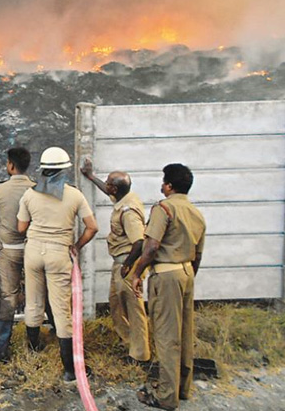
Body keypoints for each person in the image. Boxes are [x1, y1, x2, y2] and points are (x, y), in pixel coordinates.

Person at [17, 146, 98, 382]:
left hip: (33, 251)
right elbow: (92, 227)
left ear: (42, 169)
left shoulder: (30, 194)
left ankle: (33, 350)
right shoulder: (74, 195)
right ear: (64, 170)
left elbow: (21, 228)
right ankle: (70, 369)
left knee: (33, 302)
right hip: (59, 252)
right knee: (61, 309)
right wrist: (77, 245)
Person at [129, 164, 206, 411]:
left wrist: (137, 273)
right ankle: (182, 388)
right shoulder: (196, 213)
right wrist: (188, 275)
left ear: (169, 186)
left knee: (166, 336)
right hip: (186, 273)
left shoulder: (164, 208)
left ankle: (166, 396)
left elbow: (151, 247)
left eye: (164, 182)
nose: (162, 186)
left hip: (167, 274)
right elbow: (198, 254)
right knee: (184, 332)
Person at [80, 159, 151, 365]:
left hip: (127, 264)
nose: (107, 185)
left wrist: (129, 266)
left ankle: (140, 355)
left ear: (116, 188)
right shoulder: (124, 197)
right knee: (116, 304)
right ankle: (128, 342)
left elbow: (139, 242)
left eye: (109, 182)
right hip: (120, 264)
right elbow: (108, 191)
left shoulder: (128, 212)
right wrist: (91, 176)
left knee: (134, 309)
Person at [0, 147, 35, 362]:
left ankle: (1, 350)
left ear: (11, 165)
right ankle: (38, 344)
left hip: (10, 250)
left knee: (8, 297)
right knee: (40, 295)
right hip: (34, 249)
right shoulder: (36, 188)